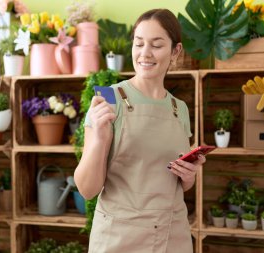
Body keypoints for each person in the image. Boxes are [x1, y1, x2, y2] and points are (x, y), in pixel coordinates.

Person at [74, 8, 206, 253]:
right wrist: (99, 141)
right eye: (138, 44)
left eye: (156, 45)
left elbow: (174, 182)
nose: (145, 53)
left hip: (172, 234)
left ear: (175, 51)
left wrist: (188, 177)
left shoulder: (180, 109)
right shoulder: (107, 98)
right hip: (120, 238)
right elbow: (87, 190)